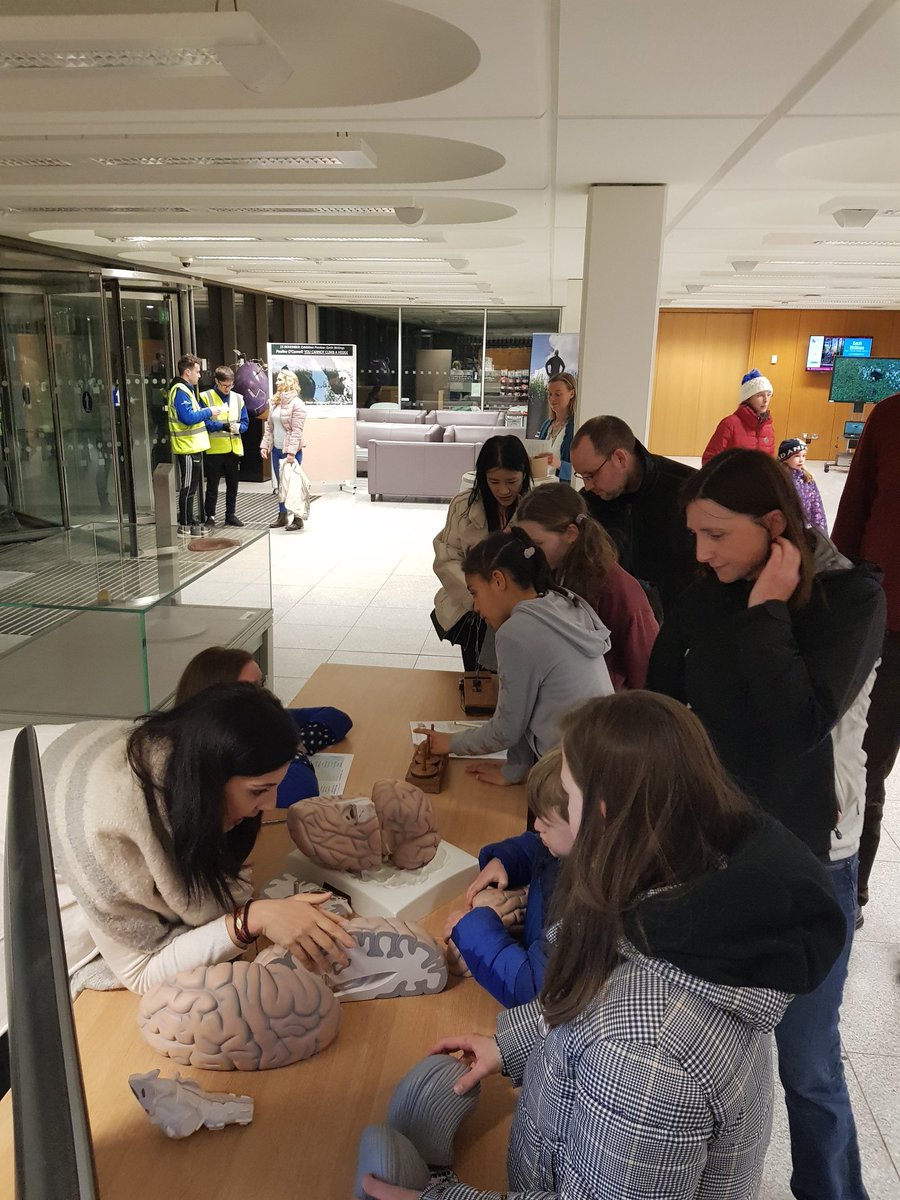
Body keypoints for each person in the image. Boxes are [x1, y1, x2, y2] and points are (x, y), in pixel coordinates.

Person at [363, 692, 845, 1200]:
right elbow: (600, 993)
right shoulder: (673, 895)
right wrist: (513, 1044)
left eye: (565, 799)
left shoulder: (645, 1057)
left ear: (602, 816)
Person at [646, 448, 885, 1200]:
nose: (701, 551)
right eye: (694, 533)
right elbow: (663, 695)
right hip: (714, 842)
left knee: (807, 1063)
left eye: (716, 533)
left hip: (807, 856)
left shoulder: (851, 600)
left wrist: (769, 611)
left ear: (774, 526)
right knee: (706, 1041)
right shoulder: (710, 587)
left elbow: (797, 724)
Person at [41, 685, 356, 995]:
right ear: (209, 780)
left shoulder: (181, 763)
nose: (271, 804)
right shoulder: (105, 829)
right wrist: (252, 919)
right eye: (259, 790)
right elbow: (139, 973)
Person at [422, 528, 612, 787]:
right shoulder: (558, 603)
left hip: (574, 777)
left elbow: (506, 729)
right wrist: (512, 770)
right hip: (600, 759)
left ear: (498, 581)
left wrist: (450, 743)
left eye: (475, 592)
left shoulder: (517, 632)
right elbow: (524, 709)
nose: (476, 607)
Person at [832, 392, 900, 917]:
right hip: (886, 628)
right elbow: (851, 522)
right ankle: (851, 893)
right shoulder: (891, 416)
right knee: (864, 768)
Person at [444, 749, 572, 1008]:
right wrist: (505, 860)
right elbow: (538, 847)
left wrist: (470, 931)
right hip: (537, 939)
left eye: (547, 821)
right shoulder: (568, 848)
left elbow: (533, 991)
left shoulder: (580, 910)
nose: (536, 826)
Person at [515, 483, 658, 689]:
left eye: (538, 544)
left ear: (571, 534)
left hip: (602, 711)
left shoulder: (616, 588)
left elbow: (645, 671)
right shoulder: (547, 571)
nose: (530, 553)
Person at [174, 646, 352, 809]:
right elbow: (301, 790)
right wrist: (289, 749)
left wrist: (294, 741)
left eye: (262, 683)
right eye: (252, 689)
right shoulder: (216, 752)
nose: (266, 694)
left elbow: (335, 717)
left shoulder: (255, 722)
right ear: (219, 701)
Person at [569, 415, 696, 617]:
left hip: (677, 627)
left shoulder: (687, 490)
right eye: (582, 477)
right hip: (612, 628)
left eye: (591, 475)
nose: (587, 485)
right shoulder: (588, 503)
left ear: (620, 458)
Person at [431, 436, 532, 671]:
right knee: (479, 681)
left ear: (524, 474)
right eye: (494, 481)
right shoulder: (464, 506)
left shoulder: (536, 509)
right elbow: (446, 559)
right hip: (475, 611)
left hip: (522, 614)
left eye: (511, 481)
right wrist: (478, 599)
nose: (503, 490)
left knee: (518, 678)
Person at [167, 353, 218, 534]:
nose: (199, 375)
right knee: (188, 486)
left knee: (191, 485)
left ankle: (189, 519)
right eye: (197, 371)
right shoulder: (180, 391)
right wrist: (209, 411)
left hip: (192, 446)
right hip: (186, 447)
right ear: (187, 372)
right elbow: (188, 417)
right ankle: (186, 523)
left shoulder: (185, 390)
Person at [201, 365, 248, 528]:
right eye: (224, 385)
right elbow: (204, 422)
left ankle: (231, 514)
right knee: (212, 485)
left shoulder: (238, 398)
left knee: (232, 485)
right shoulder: (206, 397)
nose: (228, 389)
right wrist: (222, 426)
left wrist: (239, 428)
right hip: (214, 449)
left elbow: (245, 422)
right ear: (217, 381)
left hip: (233, 448)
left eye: (230, 385)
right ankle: (210, 516)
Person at [260, 369, 307, 531]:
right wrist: (265, 445)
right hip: (276, 449)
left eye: (280, 380)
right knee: (281, 485)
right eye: (277, 380)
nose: (277, 382)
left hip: (291, 452)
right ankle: (282, 516)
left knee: (293, 485)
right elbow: (269, 428)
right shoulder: (274, 403)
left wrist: (292, 453)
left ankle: (298, 518)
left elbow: (296, 431)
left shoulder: (297, 404)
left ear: (289, 381)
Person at [702, 369, 775, 465]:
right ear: (748, 398)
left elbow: (770, 465)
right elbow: (709, 459)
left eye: (769, 395)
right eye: (760, 395)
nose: (766, 399)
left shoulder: (768, 428)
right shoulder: (729, 424)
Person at [778, 437, 828, 535]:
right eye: (797, 456)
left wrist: (821, 532)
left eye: (804, 456)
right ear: (785, 458)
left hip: (805, 528)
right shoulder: (780, 479)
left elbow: (816, 506)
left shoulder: (807, 478)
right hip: (785, 529)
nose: (801, 460)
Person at [535, 372, 576, 482]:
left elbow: (581, 473)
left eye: (558, 394)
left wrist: (559, 464)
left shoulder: (576, 427)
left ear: (571, 393)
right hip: (542, 488)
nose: (552, 399)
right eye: (549, 394)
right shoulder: (546, 425)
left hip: (563, 493)